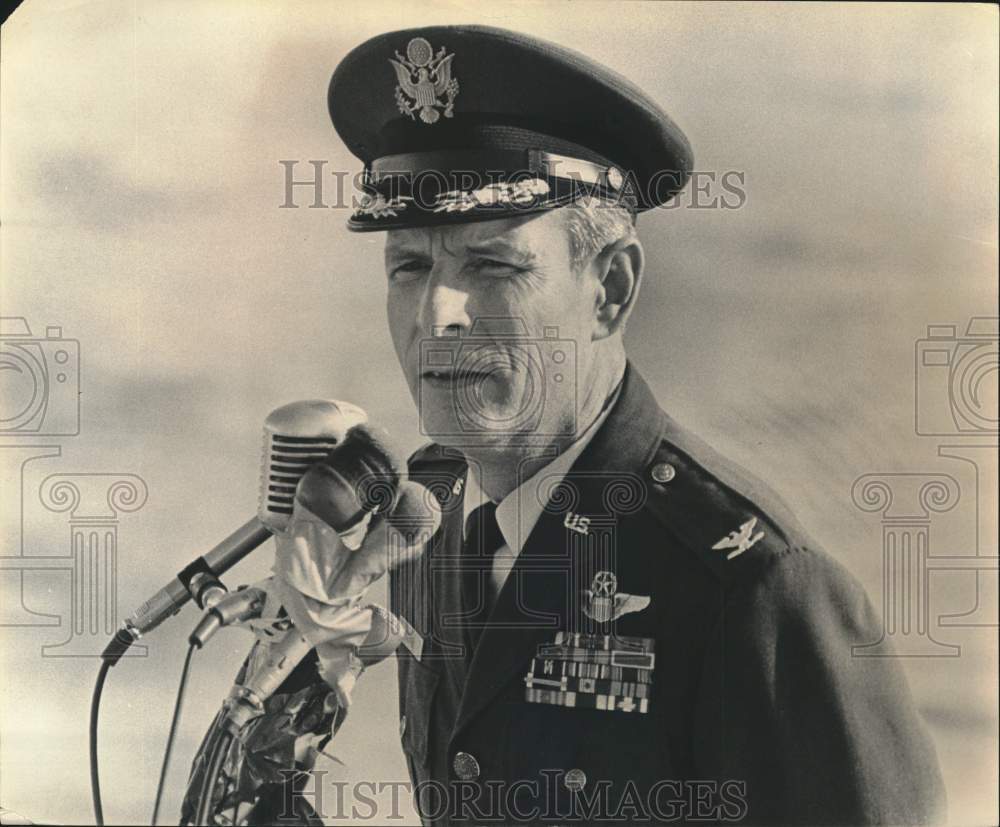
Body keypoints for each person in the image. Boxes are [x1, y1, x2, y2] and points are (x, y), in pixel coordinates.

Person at [234, 23, 945, 827]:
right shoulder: (423, 519)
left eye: (492, 265)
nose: (437, 314)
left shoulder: (751, 586)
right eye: (410, 266)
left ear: (609, 288)